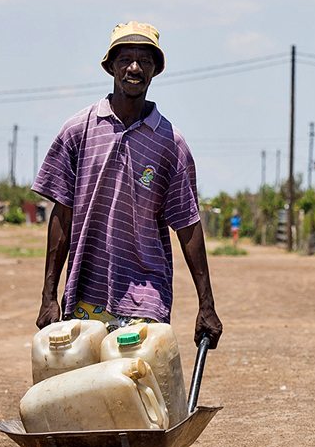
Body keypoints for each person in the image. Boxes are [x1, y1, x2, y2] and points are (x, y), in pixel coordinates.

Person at [32, 21, 222, 349]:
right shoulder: (77, 131)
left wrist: (207, 304)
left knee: (136, 386)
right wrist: (49, 296)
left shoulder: (169, 143)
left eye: (144, 61)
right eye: (125, 60)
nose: (134, 68)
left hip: (146, 297)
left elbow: (188, 227)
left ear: (155, 71)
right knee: (88, 393)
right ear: (111, 67)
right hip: (86, 292)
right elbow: (62, 216)